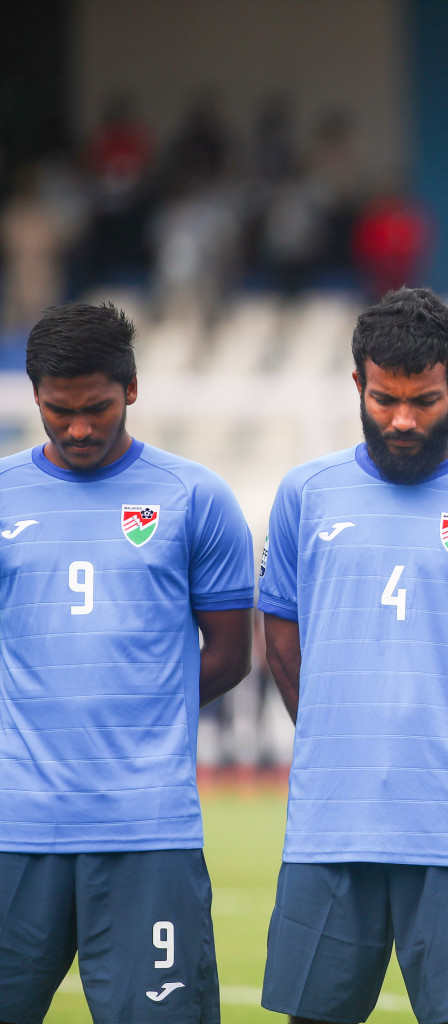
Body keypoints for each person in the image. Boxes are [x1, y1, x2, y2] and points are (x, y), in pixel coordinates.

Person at [257, 287, 448, 1024]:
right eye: (384, 398)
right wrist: (337, 740)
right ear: (358, 384)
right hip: (331, 826)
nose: (401, 420)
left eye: (423, 400)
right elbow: (282, 640)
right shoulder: (305, 495)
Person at [0, 302, 254, 1024]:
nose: (78, 428)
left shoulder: (196, 498)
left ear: (132, 390)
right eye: (58, 410)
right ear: (35, 397)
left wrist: (144, 707)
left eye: (97, 408)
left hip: (148, 832)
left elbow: (231, 654)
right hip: (15, 830)